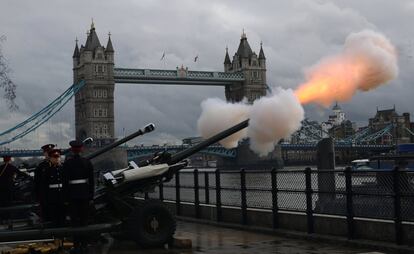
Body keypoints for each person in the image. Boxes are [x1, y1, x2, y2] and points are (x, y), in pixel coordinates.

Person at [62, 140, 94, 252]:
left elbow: (65, 182)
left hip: (72, 196)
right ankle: (84, 244)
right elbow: (92, 181)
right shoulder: (87, 162)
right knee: (84, 220)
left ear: (72, 149)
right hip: (85, 194)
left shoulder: (67, 163)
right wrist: (91, 196)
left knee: (74, 222)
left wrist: (65, 198)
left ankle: (76, 245)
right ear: (81, 149)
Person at [0, 156, 28, 227]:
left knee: (2, 204)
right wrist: (27, 176)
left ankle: (2, 220)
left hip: (1, 189)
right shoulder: (12, 167)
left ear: (3, 160)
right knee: (9, 204)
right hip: (9, 189)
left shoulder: (0, 167)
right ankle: (9, 220)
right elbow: (20, 173)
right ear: (10, 160)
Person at [41, 149, 65, 227]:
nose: (57, 158)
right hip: (52, 198)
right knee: (54, 219)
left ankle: (63, 237)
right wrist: (45, 200)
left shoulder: (63, 169)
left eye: (58, 157)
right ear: (51, 158)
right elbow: (44, 187)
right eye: (55, 157)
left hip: (62, 196)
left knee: (63, 218)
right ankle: (56, 237)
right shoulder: (47, 170)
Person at [34, 143, 55, 220]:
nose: (49, 154)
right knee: (46, 216)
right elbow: (37, 183)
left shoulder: (58, 165)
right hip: (45, 196)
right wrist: (38, 197)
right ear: (44, 153)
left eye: (51, 152)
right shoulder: (41, 167)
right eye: (47, 152)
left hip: (57, 196)